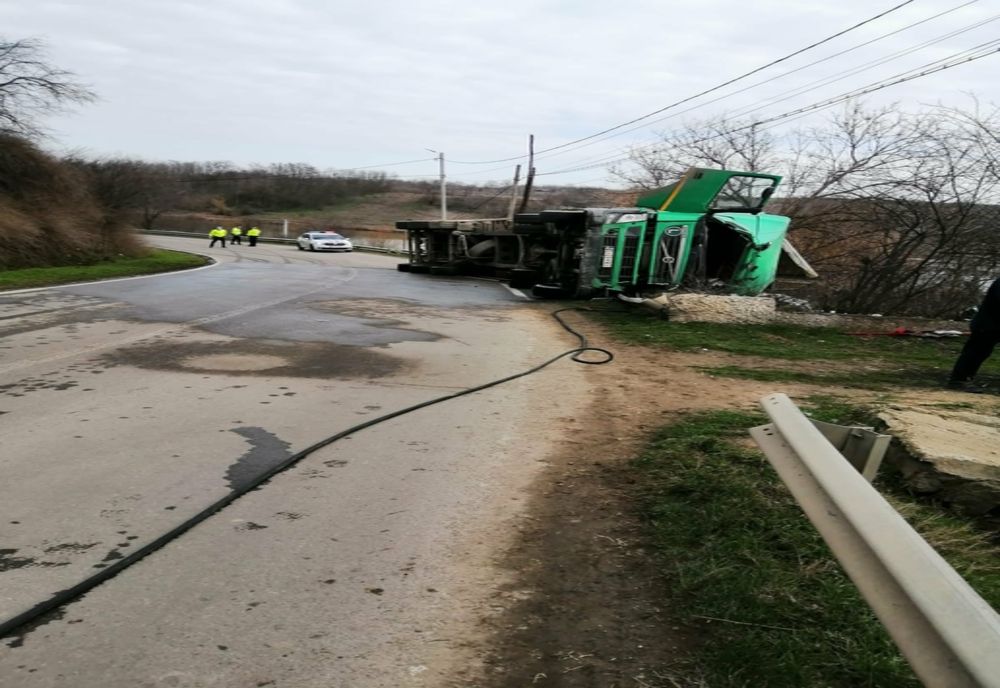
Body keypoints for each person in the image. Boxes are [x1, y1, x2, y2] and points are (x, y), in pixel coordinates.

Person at [948, 277, 1000, 392]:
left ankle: (960, 380)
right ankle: (958, 381)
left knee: (978, 352)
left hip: (993, 323)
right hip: (988, 324)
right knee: (976, 352)